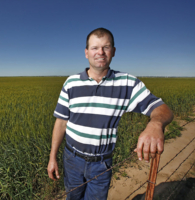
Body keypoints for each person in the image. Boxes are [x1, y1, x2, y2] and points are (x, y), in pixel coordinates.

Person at [47, 27, 173, 199]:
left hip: (102, 163)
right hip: (72, 159)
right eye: (94, 48)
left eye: (106, 47)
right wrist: (52, 157)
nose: (100, 52)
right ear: (86, 53)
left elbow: (162, 109)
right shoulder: (71, 83)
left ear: (113, 51)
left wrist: (155, 124)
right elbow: (61, 123)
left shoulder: (128, 84)